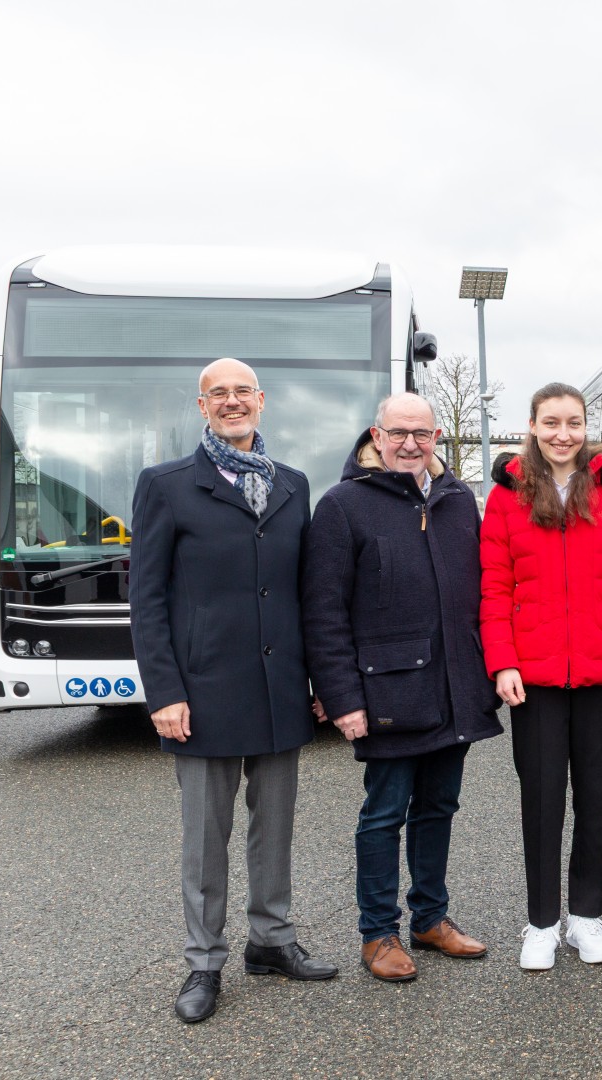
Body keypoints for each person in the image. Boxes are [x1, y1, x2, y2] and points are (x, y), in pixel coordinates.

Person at [129, 358, 337, 1024]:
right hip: (203, 690)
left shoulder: (293, 486)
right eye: (217, 393)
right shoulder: (166, 485)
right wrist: (163, 691)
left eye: (241, 391)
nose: (231, 402)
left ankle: (271, 941)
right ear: (201, 406)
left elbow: (308, 594)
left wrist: (322, 681)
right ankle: (204, 962)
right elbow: (148, 600)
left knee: (273, 830)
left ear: (261, 400)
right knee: (204, 839)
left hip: (279, 687)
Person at [302, 393, 501, 982]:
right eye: (399, 432)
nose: (411, 443)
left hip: (454, 688)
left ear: (437, 436)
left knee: (439, 807)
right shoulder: (342, 506)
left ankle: (430, 919)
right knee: (384, 814)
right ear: (376, 434)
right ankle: (378, 934)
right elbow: (324, 612)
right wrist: (343, 699)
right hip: (386, 693)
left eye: (422, 433)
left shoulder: (459, 500)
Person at [480, 383, 602, 971]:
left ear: (586, 427)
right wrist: (502, 660)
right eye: (550, 422)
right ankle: (541, 923)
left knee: (596, 798)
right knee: (541, 800)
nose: (562, 434)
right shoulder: (506, 496)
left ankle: (587, 918)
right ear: (531, 425)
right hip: (533, 677)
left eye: (573, 423)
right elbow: (495, 586)